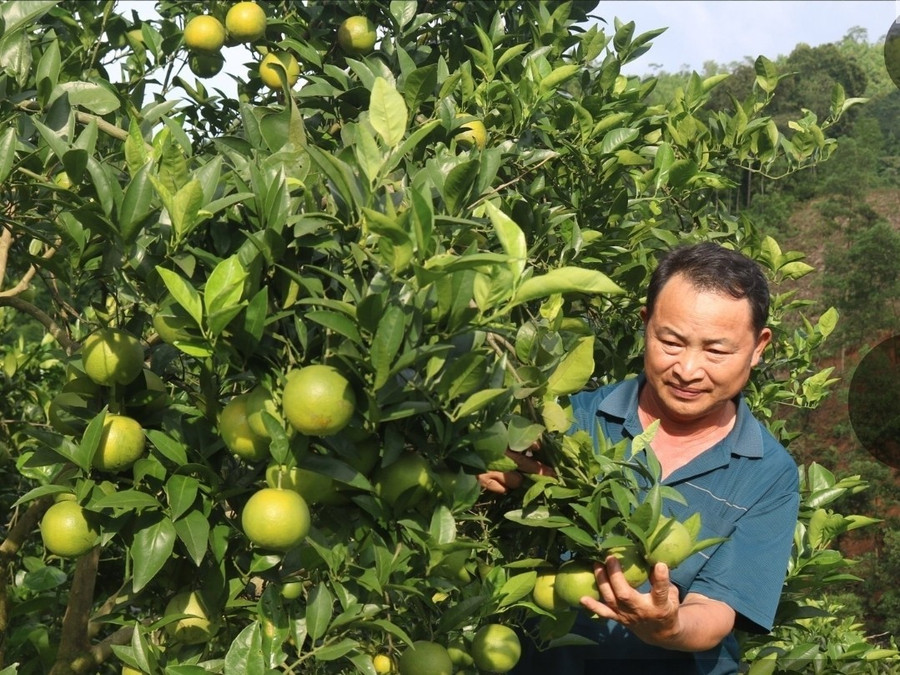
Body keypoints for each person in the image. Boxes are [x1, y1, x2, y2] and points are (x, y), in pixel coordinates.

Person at [478, 242, 800, 674]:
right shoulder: (568, 424)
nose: (687, 369)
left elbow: (716, 610)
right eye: (670, 341)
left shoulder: (767, 473)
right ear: (646, 325)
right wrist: (488, 472)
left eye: (716, 351)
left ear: (758, 347)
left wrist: (670, 626)